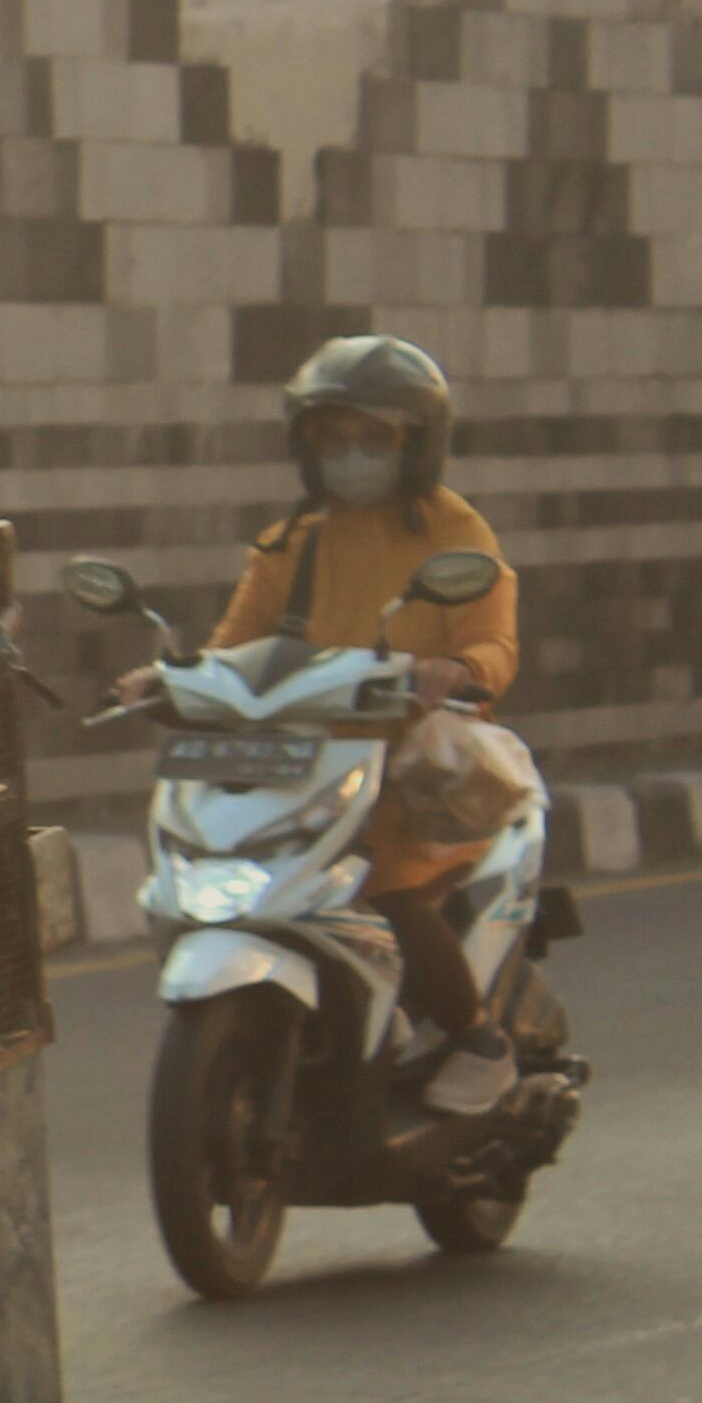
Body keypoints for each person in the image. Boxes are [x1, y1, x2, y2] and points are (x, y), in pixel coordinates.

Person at [171, 333, 526, 1112]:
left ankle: (476, 1037)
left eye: (375, 438)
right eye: (334, 439)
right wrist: (171, 678)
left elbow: (494, 637)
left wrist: (460, 670)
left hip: (416, 769)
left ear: (419, 443)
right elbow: (230, 647)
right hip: (305, 767)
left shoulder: (454, 533)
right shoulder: (291, 544)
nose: (352, 454)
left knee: (388, 888)